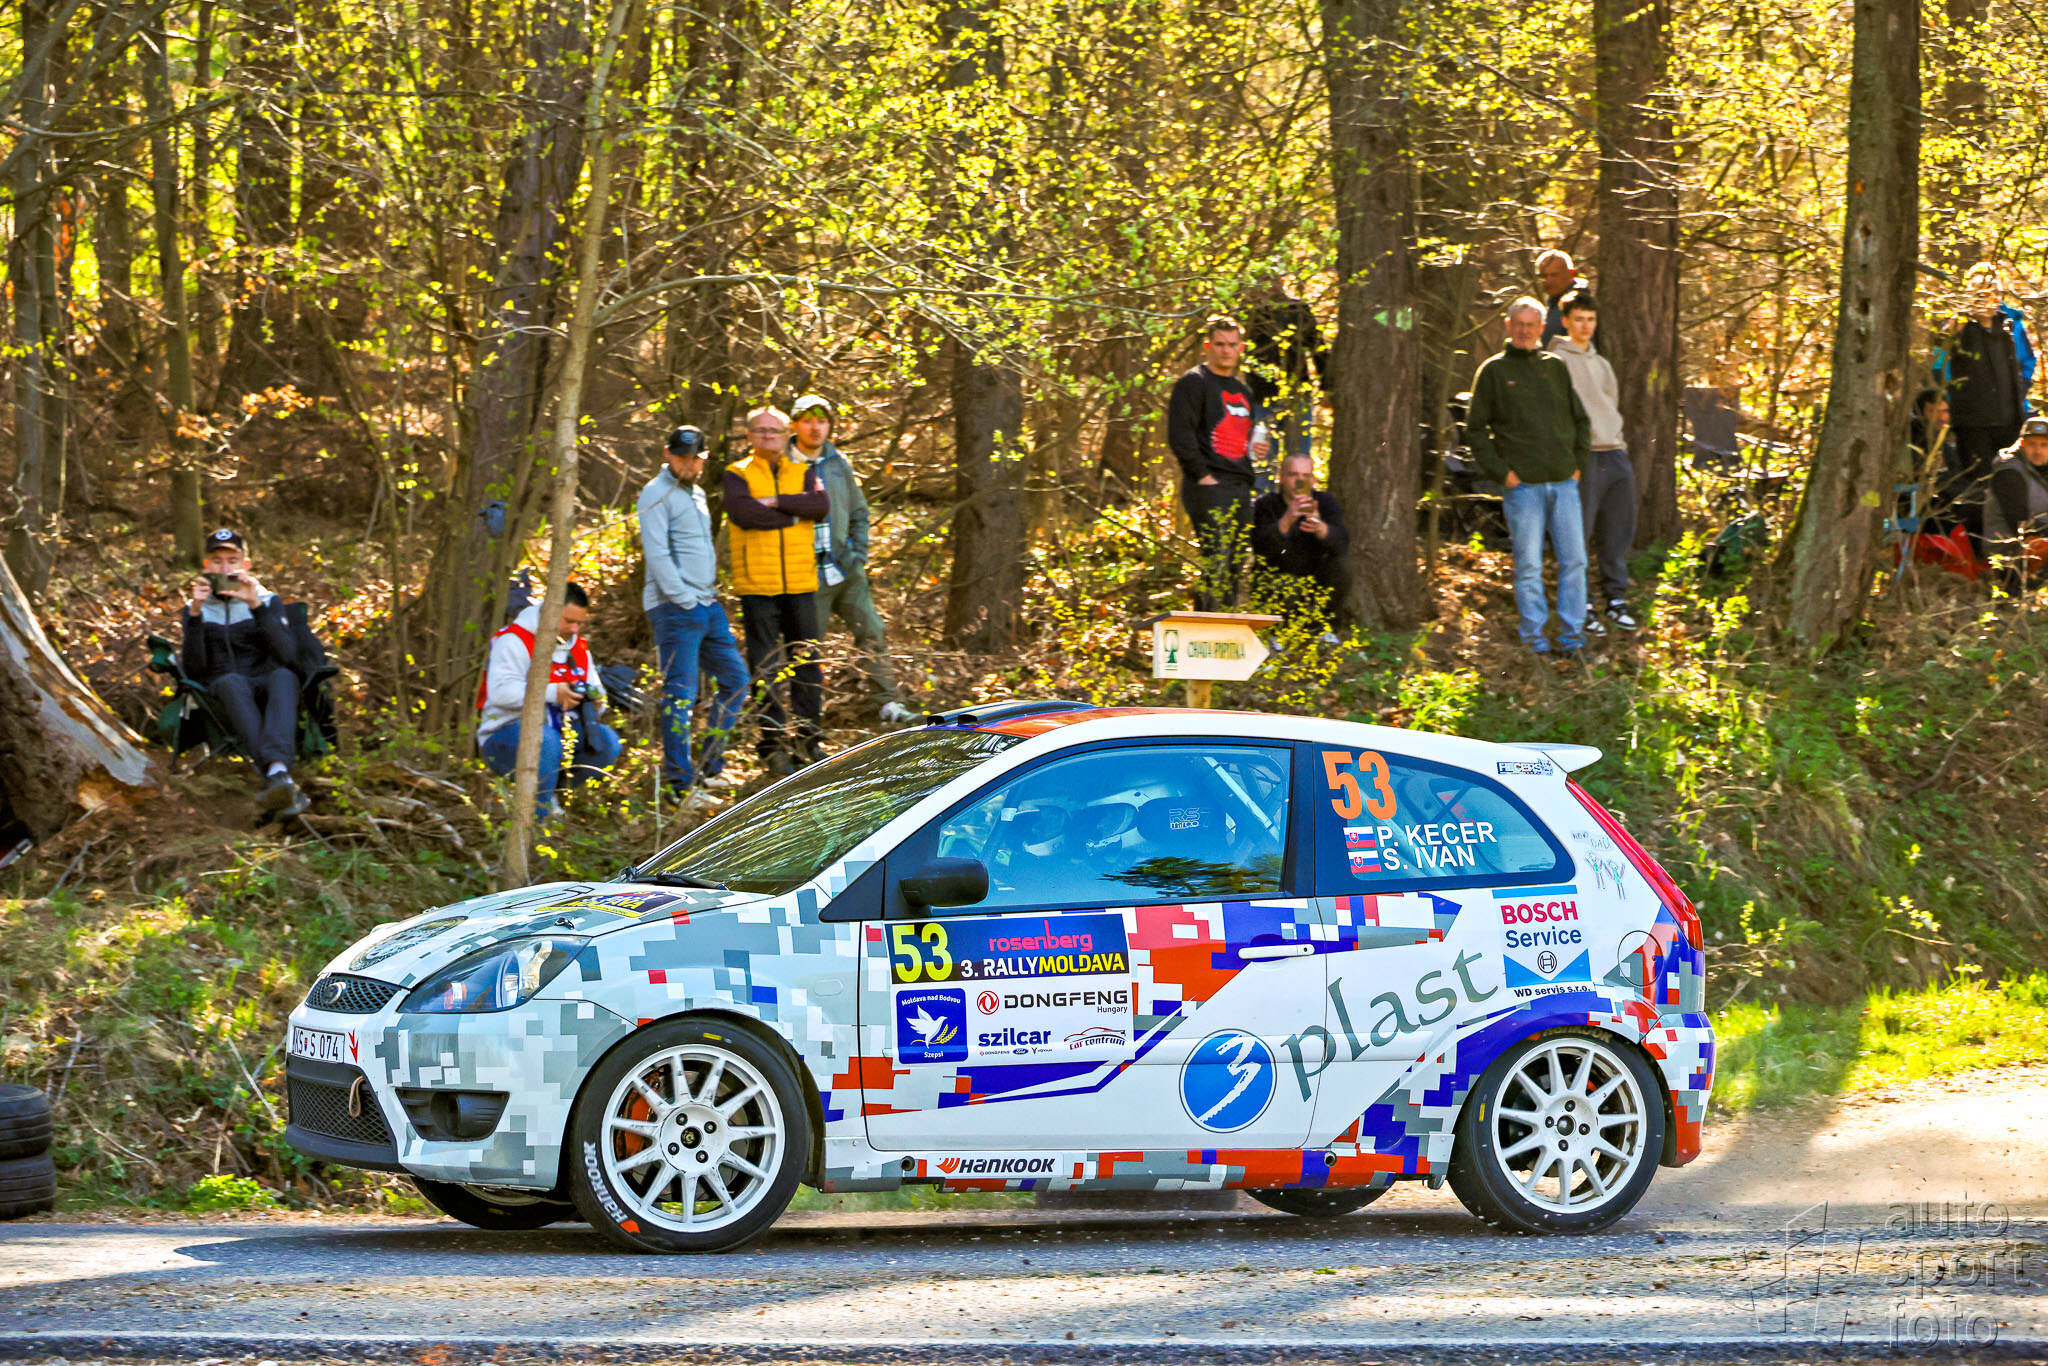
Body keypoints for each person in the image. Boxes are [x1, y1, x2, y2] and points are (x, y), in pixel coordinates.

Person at [1466, 297, 1592, 660]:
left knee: (1575, 561)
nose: (1524, 331)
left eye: (1531, 325)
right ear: (1508, 326)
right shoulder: (1493, 371)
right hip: (1523, 488)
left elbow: (1580, 420)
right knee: (1529, 566)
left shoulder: (1555, 367)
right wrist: (1502, 473)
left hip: (1564, 484)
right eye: (1518, 324)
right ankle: (1535, 639)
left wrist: (1578, 464)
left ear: (1541, 328)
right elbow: (1475, 430)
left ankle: (1572, 639)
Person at [787, 394, 916, 725]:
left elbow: (859, 511)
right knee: (806, 648)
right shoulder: (782, 463)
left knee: (871, 631)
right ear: (794, 425)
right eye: (807, 421)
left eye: (822, 421)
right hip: (806, 574)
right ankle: (805, 720)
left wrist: (858, 554)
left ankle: (888, 704)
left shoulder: (837, 463)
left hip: (845, 568)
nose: (815, 428)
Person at [640, 424, 750, 810]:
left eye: (695, 458)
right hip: (675, 608)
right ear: (668, 454)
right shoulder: (655, 493)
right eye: (682, 457)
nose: (688, 464)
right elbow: (657, 553)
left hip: (706, 603)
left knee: (736, 680)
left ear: (704, 459)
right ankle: (680, 787)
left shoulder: (698, 493)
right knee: (680, 694)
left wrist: (703, 597)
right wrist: (683, 598)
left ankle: (708, 767)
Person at [178, 527, 319, 816]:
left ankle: (275, 774)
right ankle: (278, 775)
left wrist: (255, 605)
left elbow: (288, 657)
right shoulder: (195, 608)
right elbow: (194, 669)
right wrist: (195, 614)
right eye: (217, 562)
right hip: (223, 685)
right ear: (206, 566)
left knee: (285, 676)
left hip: (267, 680)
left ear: (246, 565)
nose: (224, 569)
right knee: (232, 682)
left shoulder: (266, 600)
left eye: (232, 561)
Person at [723, 405, 830, 775]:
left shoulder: (803, 472)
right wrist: (796, 515)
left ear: (787, 436)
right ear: (749, 436)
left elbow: (821, 505)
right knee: (765, 669)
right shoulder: (737, 473)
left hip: (800, 584)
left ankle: (808, 742)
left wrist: (777, 502)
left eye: (775, 430)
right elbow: (744, 514)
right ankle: (772, 746)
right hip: (758, 586)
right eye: (761, 430)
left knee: (807, 666)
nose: (768, 436)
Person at [475, 582, 621, 816]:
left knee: (608, 742)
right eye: (569, 621)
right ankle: (537, 818)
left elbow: (598, 692)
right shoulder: (513, 640)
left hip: (562, 737)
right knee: (545, 740)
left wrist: (595, 702)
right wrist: (553, 692)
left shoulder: (578, 648)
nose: (574, 629)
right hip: (505, 738)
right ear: (550, 610)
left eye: (580, 623)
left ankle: (550, 793)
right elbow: (500, 693)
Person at [1546, 290, 1637, 635]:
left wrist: (1618, 444)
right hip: (1583, 457)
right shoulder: (1556, 360)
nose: (1585, 326)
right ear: (1566, 322)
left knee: (1616, 532)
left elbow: (1610, 405)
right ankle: (1580, 603)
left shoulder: (1602, 364)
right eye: (1579, 320)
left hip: (1614, 453)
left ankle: (1615, 600)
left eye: (1591, 320)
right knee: (1577, 535)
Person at [1167, 315, 1273, 610]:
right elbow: (1180, 435)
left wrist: (1256, 449)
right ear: (1207, 346)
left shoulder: (1243, 391)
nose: (1226, 350)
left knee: (1236, 563)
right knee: (1216, 559)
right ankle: (1204, 625)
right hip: (1209, 485)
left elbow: (1241, 438)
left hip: (1240, 484)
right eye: (1219, 344)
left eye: (1232, 344)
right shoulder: (1194, 383)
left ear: (1241, 348)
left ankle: (1226, 625)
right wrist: (1202, 475)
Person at [1944, 265, 2028, 479]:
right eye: (1981, 294)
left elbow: (2018, 373)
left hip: (2008, 423)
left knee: (2010, 481)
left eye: (1995, 293)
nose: (1989, 300)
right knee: (1978, 483)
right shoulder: (1961, 329)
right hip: (1974, 427)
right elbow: (1940, 356)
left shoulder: (2006, 329)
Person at [1251, 453, 1348, 632]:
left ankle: (1325, 630)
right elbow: (1261, 548)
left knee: (1344, 565)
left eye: (1306, 476)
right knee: (1284, 584)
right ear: (1282, 478)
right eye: (1293, 475)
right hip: (1278, 578)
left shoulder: (1325, 502)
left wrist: (1320, 528)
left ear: (1312, 479)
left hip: (1315, 578)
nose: (1299, 481)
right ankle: (1277, 632)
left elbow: (1342, 544)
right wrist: (1287, 520)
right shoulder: (1266, 504)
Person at [1243, 281, 1328, 463]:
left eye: (1270, 279)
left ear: (1280, 281)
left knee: (1299, 458)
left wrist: (1327, 387)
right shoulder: (1249, 314)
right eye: (1261, 280)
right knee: (1262, 461)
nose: (1267, 286)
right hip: (1261, 397)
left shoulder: (1298, 310)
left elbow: (1318, 350)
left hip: (1297, 394)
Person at [1983, 415, 2048, 592]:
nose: (2038, 451)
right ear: (2022, 444)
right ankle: (2022, 591)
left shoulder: (2042, 470)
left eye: (2044, 445)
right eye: (2032, 444)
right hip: (2008, 555)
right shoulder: (2009, 472)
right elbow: (2021, 525)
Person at [1536, 249, 1593, 345]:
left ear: (1571, 274)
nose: (1548, 281)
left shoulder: (1581, 305)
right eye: (1544, 276)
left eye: (1554, 275)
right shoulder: (1554, 305)